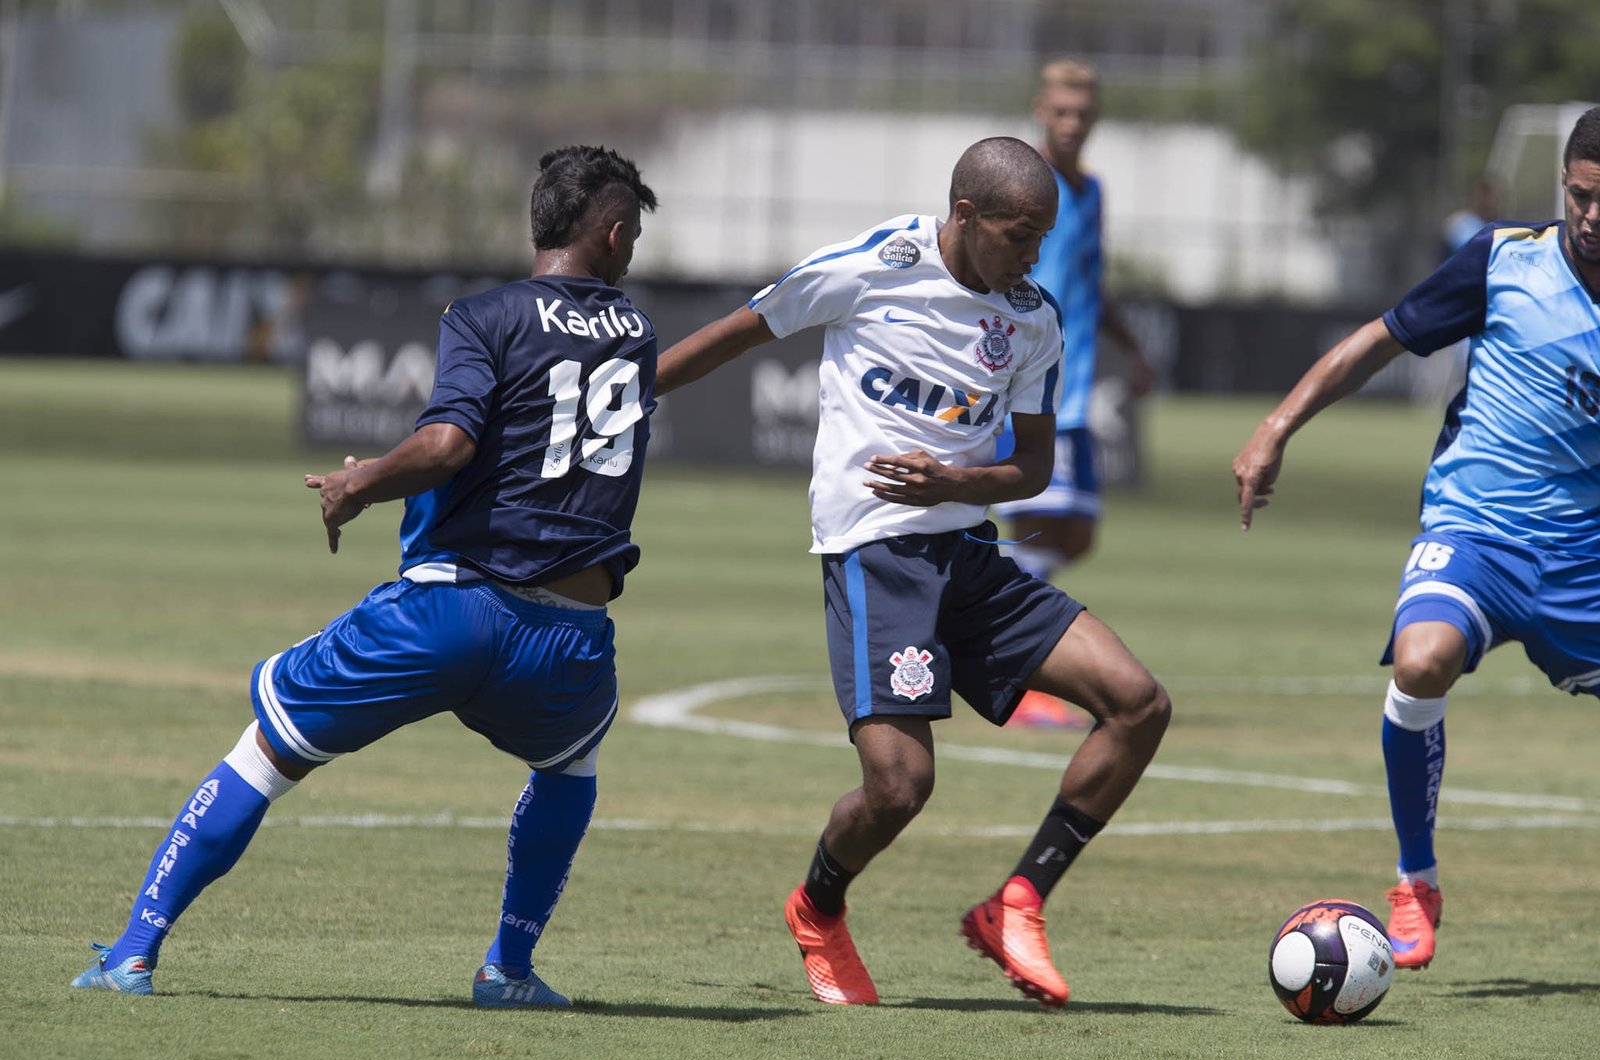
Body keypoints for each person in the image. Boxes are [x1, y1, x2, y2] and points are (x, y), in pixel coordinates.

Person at [69, 145, 659, 1007]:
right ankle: (509, 970)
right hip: (567, 640)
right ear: (611, 235)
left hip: (453, 613)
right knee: (571, 769)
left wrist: (361, 481)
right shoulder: (636, 334)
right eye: (635, 232)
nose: (633, 248)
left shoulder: (486, 315)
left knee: (266, 751)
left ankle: (132, 953)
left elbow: (452, 445)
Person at [655, 136, 1171, 1008]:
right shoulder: (874, 265)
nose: (1032, 254)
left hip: (969, 551)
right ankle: (818, 908)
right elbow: (737, 333)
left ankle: (1018, 902)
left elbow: (1033, 468)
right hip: (876, 552)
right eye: (1018, 234)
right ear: (965, 216)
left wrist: (956, 482)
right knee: (900, 787)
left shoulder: (1034, 318)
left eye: (1043, 238)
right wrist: (626, 402)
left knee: (1139, 703)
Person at [1232, 106, 1600, 972]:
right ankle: (1415, 880)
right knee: (1421, 658)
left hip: (1583, 556)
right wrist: (1278, 427)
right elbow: (1380, 339)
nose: (1591, 216)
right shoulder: (1505, 258)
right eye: (1580, 196)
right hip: (1474, 530)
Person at [993, 57, 1157, 728]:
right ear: (1040, 110)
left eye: (1082, 114)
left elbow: (1091, 280)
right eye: (1060, 112)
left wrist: (1133, 347)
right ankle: (1015, 665)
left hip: (1079, 383)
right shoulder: (1020, 183)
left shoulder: (1090, 190)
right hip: (1030, 383)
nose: (1071, 124)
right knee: (1034, 522)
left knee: (1077, 533)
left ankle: (980, 617)